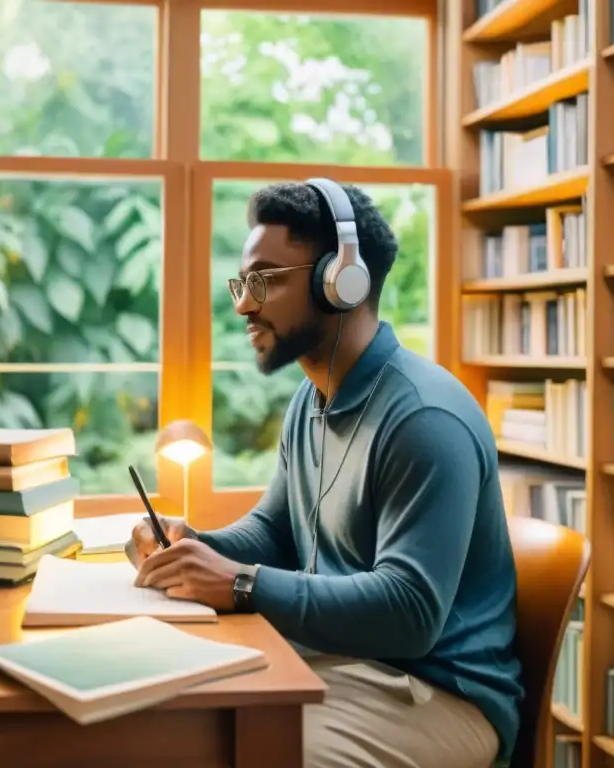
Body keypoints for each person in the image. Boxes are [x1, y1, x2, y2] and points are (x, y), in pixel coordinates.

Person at [128, 179, 523, 768]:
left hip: (436, 692)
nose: (243, 304)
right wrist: (193, 547)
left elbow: (409, 613)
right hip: (340, 661)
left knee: (256, 754)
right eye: (242, 282)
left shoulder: (425, 418)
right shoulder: (311, 400)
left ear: (338, 280)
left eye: (263, 280)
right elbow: (275, 532)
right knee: (166, 725)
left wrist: (240, 583)